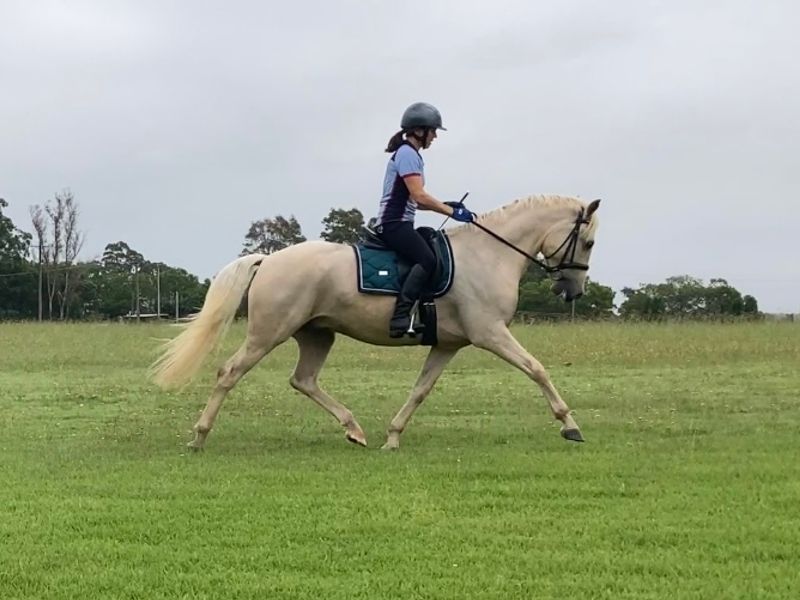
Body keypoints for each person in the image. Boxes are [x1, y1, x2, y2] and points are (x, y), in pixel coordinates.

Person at [375, 102, 474, 337]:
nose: (435, 137)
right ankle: (400, 317)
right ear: (420, 130)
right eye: (433, 131)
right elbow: (419, 195)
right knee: (427, 260)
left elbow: (416, 201)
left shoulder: (411, 154)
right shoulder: (408, 154)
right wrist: (452, 213)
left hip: (400, 222)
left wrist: (447, 205)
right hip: (394, 223)